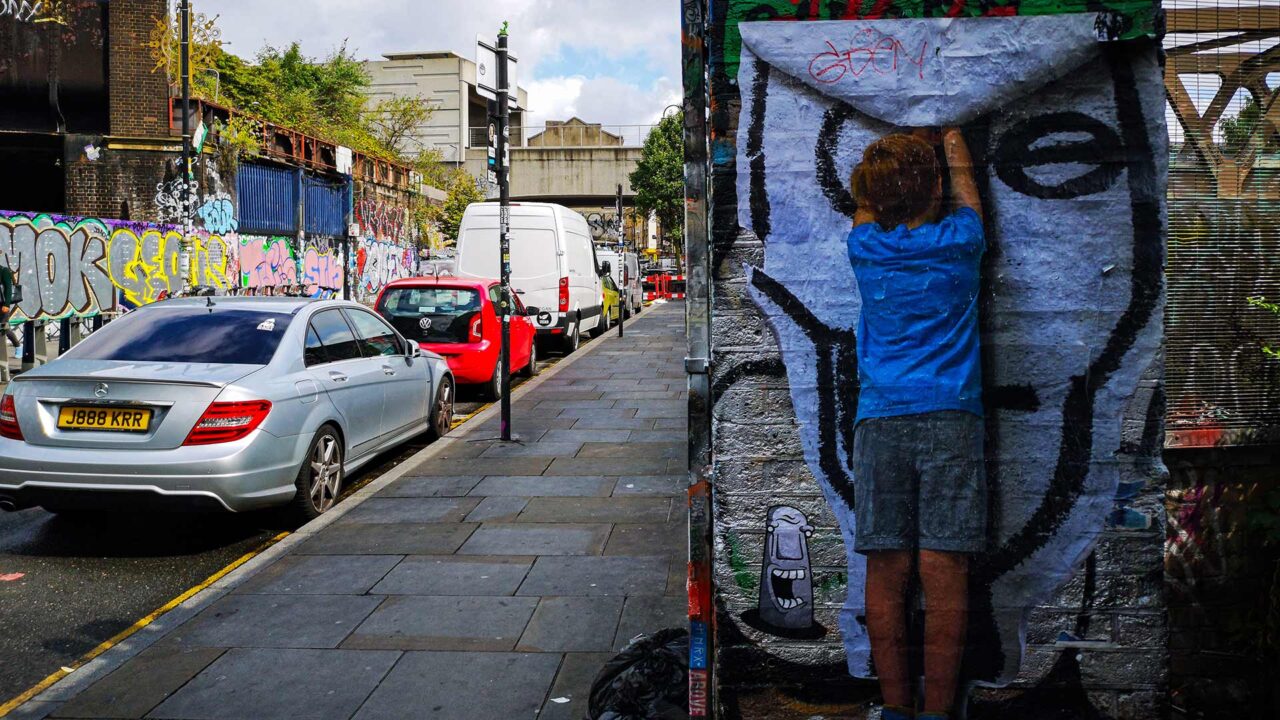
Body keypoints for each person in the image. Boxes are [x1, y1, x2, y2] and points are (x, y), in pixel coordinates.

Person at [846, 127, 985, 720]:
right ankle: (939, 712)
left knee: (886, 568)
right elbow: (970, 193)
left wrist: (890, 166)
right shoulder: (962, 241)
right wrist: (950, 141)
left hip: (880, 420)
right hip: (952, 418)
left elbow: (864, 208)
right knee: (944, 569)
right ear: (934, 189)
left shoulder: (864, 249)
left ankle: (896, 708)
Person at [0, 265, 20, 350]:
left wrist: (7, 304)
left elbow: (8, 288)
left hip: (2, 304)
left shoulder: (4, 271)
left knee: (5, 328)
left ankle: (18, 346)